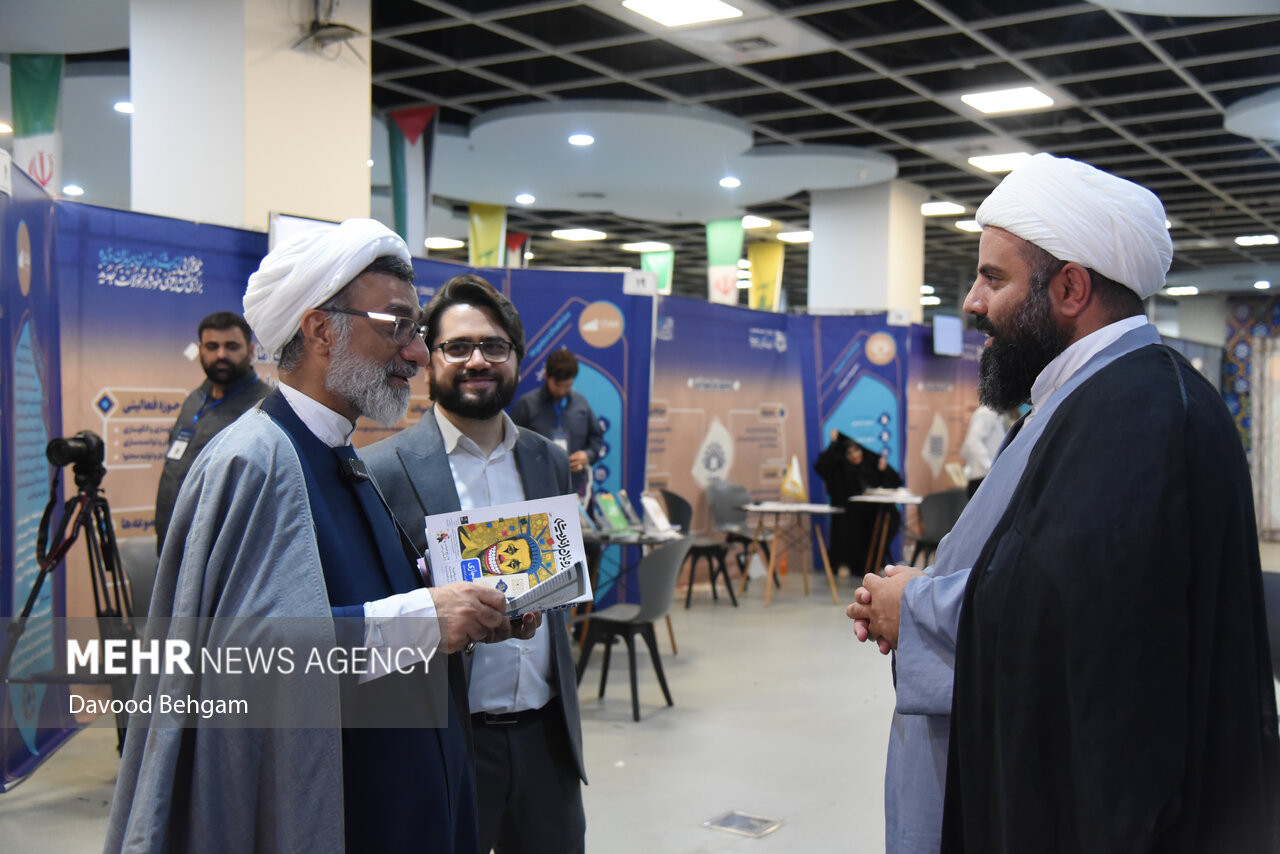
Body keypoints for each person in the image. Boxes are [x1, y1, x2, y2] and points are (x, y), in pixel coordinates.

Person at [847, 153, 1280, 853]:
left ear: (1072, 288)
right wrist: (933, 589)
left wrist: (919, 610)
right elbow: (1051, 568)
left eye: (994, 278)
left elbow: (1085, 627)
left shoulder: (1140, 415)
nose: (973, 303)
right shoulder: (1095, 396)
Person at [106, 221, 532, 854]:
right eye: (397, 325)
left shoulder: (336, 451)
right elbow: (242, 661)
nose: (417, 354)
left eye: (416, 330)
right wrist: (422, 620)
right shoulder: (254, 461)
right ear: (320, 330)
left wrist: (464, 606)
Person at [364, 274, 587, 854]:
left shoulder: (548, 460)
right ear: (427, 358)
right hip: (446, 743)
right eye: (457, 346)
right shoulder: (381, 471)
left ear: (516, 357)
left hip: (547, 742)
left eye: (493, 346)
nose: (477, 360)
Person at [153, 311, 270, 551]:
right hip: (172, 546)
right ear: (200, 350)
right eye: (212, 346)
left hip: (227, 553)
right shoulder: (194, 400)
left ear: (250, 351)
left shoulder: (266, 406)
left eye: (231, 346)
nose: (221, 355)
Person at [510, 347, 604, 495]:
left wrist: (588, 456)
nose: (561, 391)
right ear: (546, 376)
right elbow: (510, 443)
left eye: (567, 386)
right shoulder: (527, 405)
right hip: (538, 487)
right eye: (557, 385)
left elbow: (596, 438)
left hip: (575, 485)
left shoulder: (581, 404)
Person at [814, 429, 903, 573]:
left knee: (888, 517)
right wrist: (833, 444)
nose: (854, 455)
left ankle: (874, 563)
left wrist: (884, 470)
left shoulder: (871, 465)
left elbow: (894, 482)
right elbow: (821, 467)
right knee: (848, 527)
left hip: (870, 513)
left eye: (856, 451)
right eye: (849, 453)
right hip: (849, 512)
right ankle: (845, 565)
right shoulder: (841, 469)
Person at [957, 404, 1014, 498]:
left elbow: (966, 449)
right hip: (982, 479)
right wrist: (990, 467)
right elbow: (972, 442)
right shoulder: (986, 413)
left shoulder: (995, 416)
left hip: (986, 477)